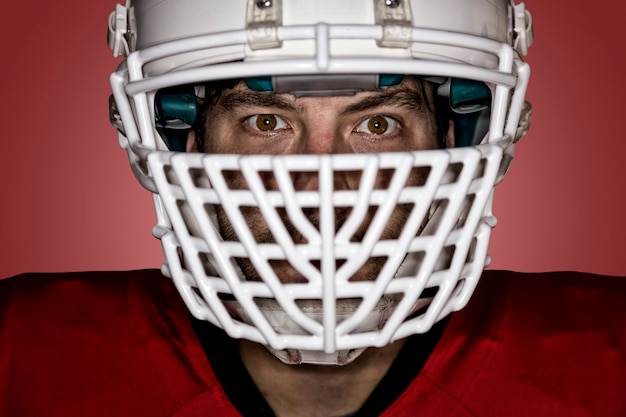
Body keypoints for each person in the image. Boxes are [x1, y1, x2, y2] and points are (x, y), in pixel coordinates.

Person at [1, 0, 625, 416]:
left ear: (454, 140)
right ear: (185, 140)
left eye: (377, 124)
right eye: (266, 121)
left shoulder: (605, 361)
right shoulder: (22, 356)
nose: (320, 184)